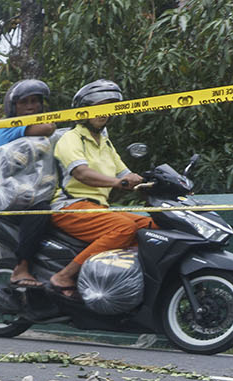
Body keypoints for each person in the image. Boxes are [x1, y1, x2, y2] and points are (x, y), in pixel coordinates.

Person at [46, 79, 150, 299]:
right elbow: (81, 173)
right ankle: (64, 276)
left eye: (110, 108)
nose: (104, 113)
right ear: (84, 110)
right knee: (123, 228)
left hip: (99, 209)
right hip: (71, 206)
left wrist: (151, 183)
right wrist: (118, 183)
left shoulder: (105, 143)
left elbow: (125, 174)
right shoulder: (71, 138)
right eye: (99, 107)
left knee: (152, 226)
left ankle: (117, 282)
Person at [0, 79, 56, 288]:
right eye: (24, 102)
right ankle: (22, 267)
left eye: (35, 101)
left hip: (29, 191)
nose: (31, 106)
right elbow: (49, 127)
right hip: (8, 195)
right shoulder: (9, 127)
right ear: (14, 107)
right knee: (41, 211)